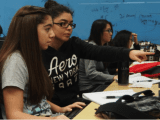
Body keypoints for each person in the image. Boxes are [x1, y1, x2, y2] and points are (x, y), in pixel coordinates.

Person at [42, 0, 153, 107]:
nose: (69, 28)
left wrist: (129, 52)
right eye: (63, 24)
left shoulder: (74, 44)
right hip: (54, 109)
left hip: (75, 102)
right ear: (49, 25)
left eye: (71, 24)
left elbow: (100, 51)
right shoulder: (39, 52)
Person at [0, 5, 84, 120]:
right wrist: (53, 119)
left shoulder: (32, 56)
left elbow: (38, 100)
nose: (52, 34)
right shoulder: (15, 62)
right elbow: (14, 115)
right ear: (30, 31)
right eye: (47, 29)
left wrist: (60, 109)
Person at [78, 19, 118, 94]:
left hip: (98, 85)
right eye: (108, 31)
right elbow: (90, 73)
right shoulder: (91, 48)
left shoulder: (102, 47)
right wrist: (112, 77)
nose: (111, 33)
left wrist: (114, 80)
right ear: (99, 32)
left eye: (111, 30)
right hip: (89, 88)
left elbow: (104, 70)